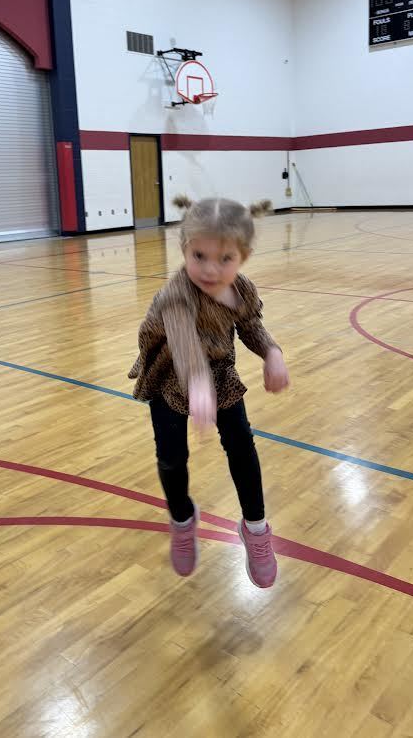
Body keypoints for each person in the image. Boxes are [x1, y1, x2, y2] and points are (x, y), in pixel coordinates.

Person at [129, 195, 290, 587]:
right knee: (171, 457)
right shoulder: (176, 294)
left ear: (244, 256)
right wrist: (196, 384)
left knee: (241, 445)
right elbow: (183, 343)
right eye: (198, 256)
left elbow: (250, 324)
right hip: (168, 375)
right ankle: (182, 521)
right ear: (184, 248)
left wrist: (272, 353)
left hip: (218, 374)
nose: (210, 269)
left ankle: (255, 528)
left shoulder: (242, 290)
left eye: (224, 259)